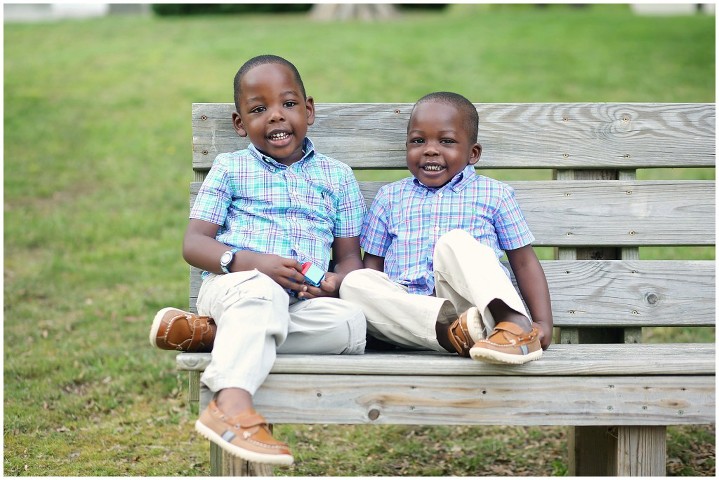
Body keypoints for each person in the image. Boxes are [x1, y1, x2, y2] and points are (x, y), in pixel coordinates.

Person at [149, 55, 367, 465]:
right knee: (262, 292)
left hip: (302, 303)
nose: (275, 117)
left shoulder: (338, 177)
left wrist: (334, 284)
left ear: (309, 109)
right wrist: (250, 262)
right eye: (258, 109)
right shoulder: (230, 168)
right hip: (236, 284)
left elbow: (349, 258)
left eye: (288, 104)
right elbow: (195, 244)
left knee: (351, 327)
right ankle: (230, 405)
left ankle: (217, 334)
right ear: (239, 123)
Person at [339, 91, 553, 364]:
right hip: (409, 313)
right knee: (355, 282)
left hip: (473, 305)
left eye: (447, 141)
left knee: (456, 242)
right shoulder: (390, 197)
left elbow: (524, 263)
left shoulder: (494, 194)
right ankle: (455, 334)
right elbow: (373, 265)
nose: (430, 149)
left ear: (473, 153)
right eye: (418, 141)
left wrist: (543, 323)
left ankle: (515, 326)